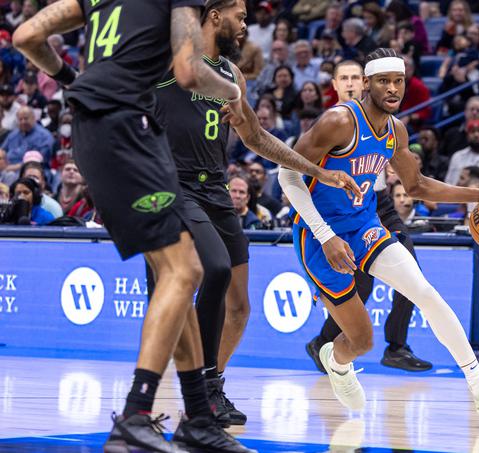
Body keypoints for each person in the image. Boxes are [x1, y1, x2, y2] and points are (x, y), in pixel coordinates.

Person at [14, 0, 358, 451]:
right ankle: (140, 412)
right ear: (215, 14)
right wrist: (230, 91)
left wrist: (72, 81)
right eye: (239, 12)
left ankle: (198, 412)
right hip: (146, 152)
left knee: (197, 277)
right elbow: (187, 69)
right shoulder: (182, 31)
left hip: (135, 146)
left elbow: (25, 37)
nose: (246, 21)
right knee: (194, 272)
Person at [280, 48, 479, 414]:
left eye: (398, 81)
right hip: (320, 235)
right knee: (361, 340)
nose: (393, 89)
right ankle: (336, 360)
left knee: (425, 293)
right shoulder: (338, 121)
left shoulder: (396, 130)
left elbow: (418, 186)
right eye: (384, 81)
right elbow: (288, 173)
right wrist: (325, 235)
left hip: (364, 225)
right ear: (366, 84)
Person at [305, 57, 433, 373]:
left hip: (376, 203)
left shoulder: (383, 118)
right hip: (337, 208)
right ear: (334, 85)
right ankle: (323, 343)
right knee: (360, 288)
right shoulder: (335, 122)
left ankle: (397, 346)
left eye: (353, 76)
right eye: (343, 78)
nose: (349, 82)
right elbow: (297, 178)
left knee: (410, 266)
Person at [444, 119, 479, 186]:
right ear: (467, 136)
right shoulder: (457, 156)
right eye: (472, 131)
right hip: (459, 194)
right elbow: (448, 182)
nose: (476, 135)